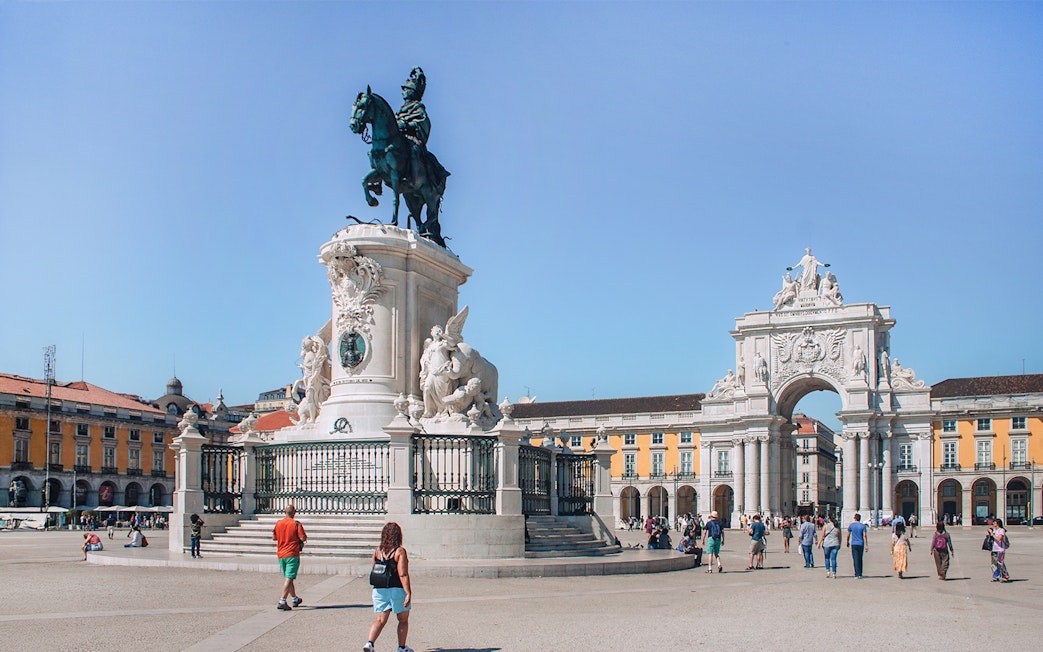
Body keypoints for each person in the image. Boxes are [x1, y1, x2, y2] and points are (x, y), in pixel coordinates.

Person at [364, 522, 413, 652]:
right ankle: (401, 647)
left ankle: (370, 643)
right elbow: (402, 573)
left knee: (380, 619)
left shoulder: (377, 550)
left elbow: (374, 568)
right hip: (396, 588)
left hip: (379, 589)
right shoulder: (399, 551)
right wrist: (408, 592)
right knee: (402, 619)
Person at [272, 504, 308, 610]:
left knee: (289, 577)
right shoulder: (296, 524)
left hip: (281, 554)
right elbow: (302, 537)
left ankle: (295, 598)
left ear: (284, 512)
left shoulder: (278, 523)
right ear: (294, 513)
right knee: (289, 578)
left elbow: (274, 537)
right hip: (292, 553)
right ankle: (282, 600)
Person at [846, 513, 869, 579]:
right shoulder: (863, 526)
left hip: (854, 543)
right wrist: (866, 545)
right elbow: (864, 535)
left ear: (855, 518)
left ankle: (856, 574)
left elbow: (848, 534)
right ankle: (860, 573)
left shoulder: (851, 525)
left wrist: (847, 541)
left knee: (855, 559)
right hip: (861, 543)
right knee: (860, 558)